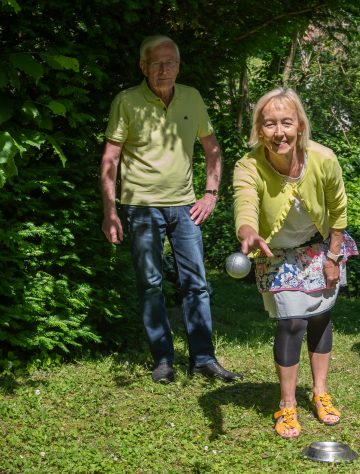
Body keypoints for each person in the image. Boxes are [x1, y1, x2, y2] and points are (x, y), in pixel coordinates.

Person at [100, 35, 240, 384]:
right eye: (157, 63)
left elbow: (212, 148)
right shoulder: (127, 101)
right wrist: (110, 211)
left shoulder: (192, 97)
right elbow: (111, 158)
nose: (164, 70)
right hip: (141, 207)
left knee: (197, 284)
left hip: (185, 207)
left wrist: (210, 193)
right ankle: (163, 359)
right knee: (150, 284)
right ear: (143, 67)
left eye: (171, 63)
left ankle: (204, 359)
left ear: (179, 66)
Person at [233, 88, 356, 439]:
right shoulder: (249, 165)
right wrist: (247, 230)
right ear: (259, 129)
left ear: (300, 126)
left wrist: (334, 256)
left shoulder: (324, 158)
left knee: (319, 317)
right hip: (277, 253)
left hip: (321, 247)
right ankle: (287, 405)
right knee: (292, 322)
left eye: (286, 122)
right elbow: (244, 202)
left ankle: (320, 393)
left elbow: (339, 210)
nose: (279, 132)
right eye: (269, 124)